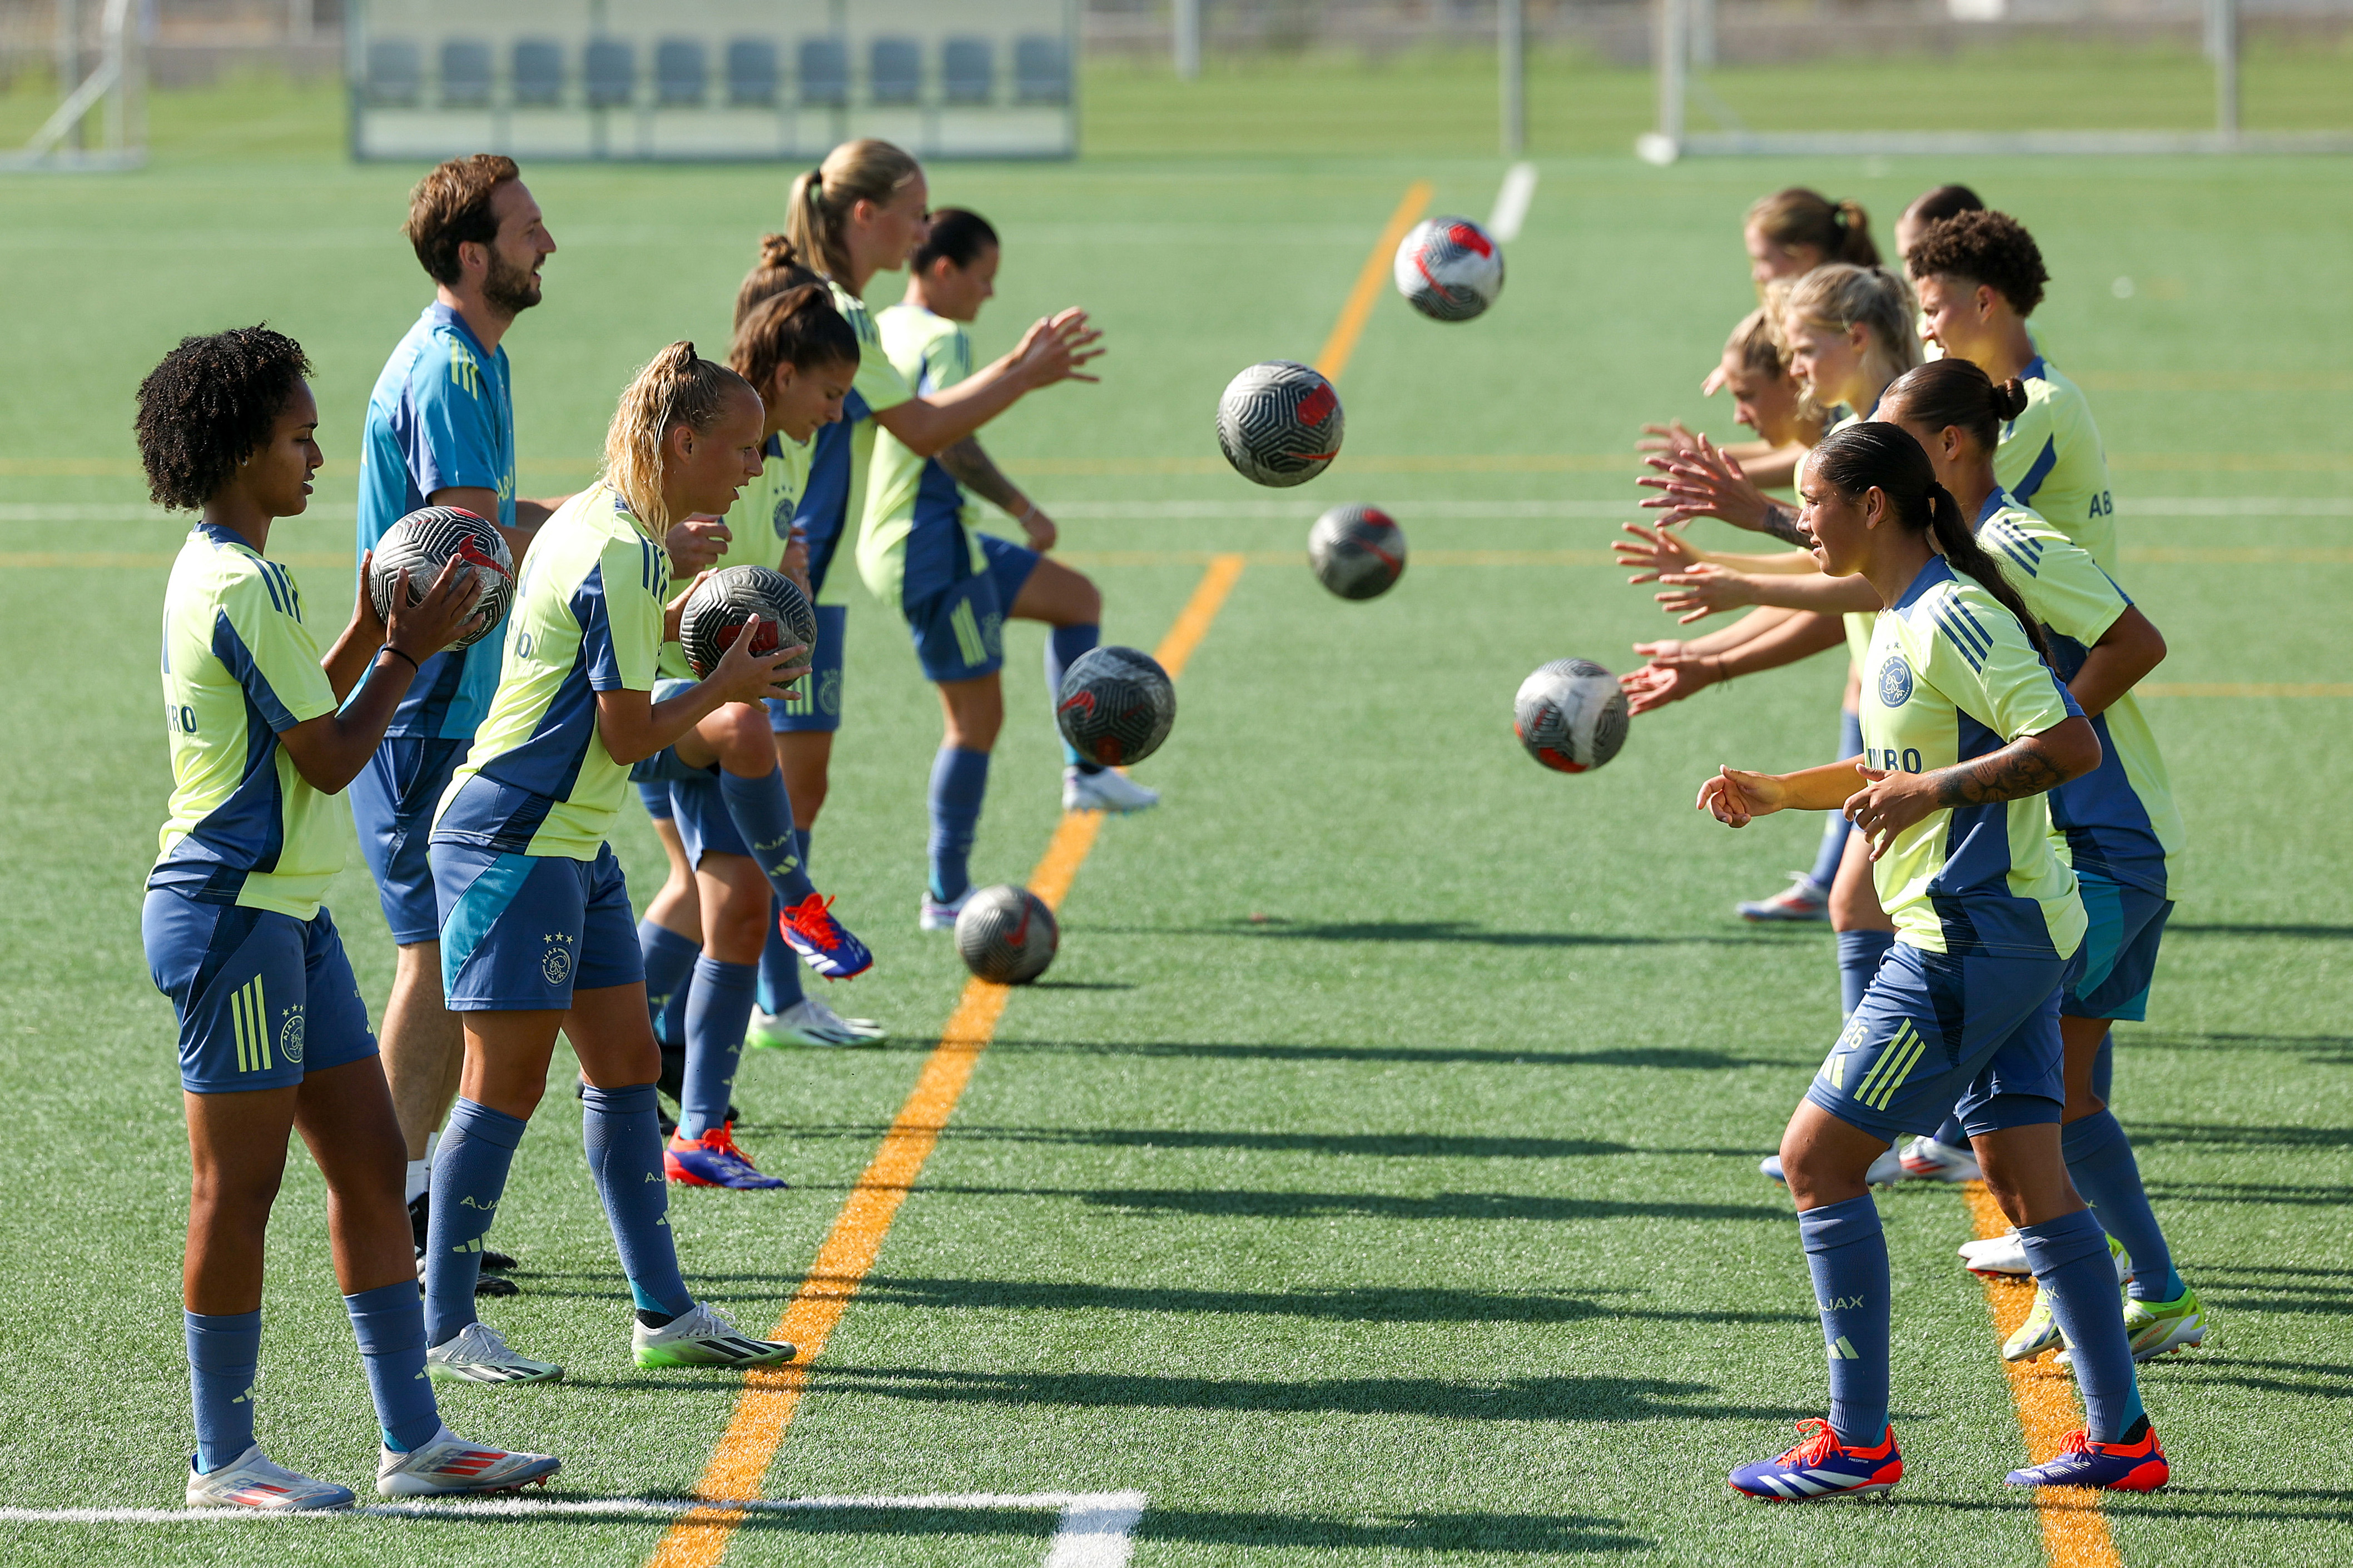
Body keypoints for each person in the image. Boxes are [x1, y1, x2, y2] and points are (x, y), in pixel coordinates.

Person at [1700, 421, 2167, 1499]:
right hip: (2005, 934)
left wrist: (1932, 793)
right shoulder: (1900, 615)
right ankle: (2121, 1437)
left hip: (1969, 938)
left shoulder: (1952, 613)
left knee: (1817, 1163)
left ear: (1872, 505)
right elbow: (1900, 762)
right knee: (2024, 1176)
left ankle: (1857, 1441)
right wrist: (1784, 791)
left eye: (1813, 500)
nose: (1802, 519)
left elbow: (2067, 744)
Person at [137, 326, 557, 1507]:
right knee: (238, 1190)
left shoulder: (237, 571)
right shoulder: (236, 581)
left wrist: (375, 633)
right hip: (231, 918)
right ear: (241, 451)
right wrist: (410, 654)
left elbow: (301, 712)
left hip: (287, 917)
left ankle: (414, 1444)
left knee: (373, 1169)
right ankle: (222, 1459)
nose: (319, 458)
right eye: (299, 438)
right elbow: (326, 756)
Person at [420, 342, 805, 1382]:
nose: (754, 468)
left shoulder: (614, 525)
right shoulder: (619, 548)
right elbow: (629, 732)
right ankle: (443, 1326)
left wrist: (697, 628)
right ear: (682, 443)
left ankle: (663, 1313)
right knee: (502, 1084)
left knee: (629, 1065)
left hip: (568, 844)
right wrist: (726, 684)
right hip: (512, 841)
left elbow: (620, 661)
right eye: (742, 448)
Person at [1877, 362, 2203, 1361]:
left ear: (1949, 446)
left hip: (2108, 843)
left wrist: (2047, 738)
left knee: (2041, 1096)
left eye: (1894, 438)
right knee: (2058, 1092)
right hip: (2082, 844)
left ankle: (2132, 1287)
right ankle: (2118, 1284)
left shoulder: (2011, 539)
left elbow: (2136, 640)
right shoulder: (1955, 551)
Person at [761, 140, 1104, 947]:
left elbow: (915, 422)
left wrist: (1017, 367)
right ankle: (762, 989)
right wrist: (1022, 373)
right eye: (914, 215)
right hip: (784, 577)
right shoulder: (835, 314)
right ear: (865, 215)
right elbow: (923, 429)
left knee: (794, 798)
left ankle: (774, 989)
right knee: (767, 807)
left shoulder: (846, 311)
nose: (922, 234)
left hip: (815, 581)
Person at [631, 287, 880, 1191]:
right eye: (830, 393)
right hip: (659, 703)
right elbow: (629, 607)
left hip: (721, 708)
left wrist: (789, 591)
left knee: (725, 913)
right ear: (782, 375)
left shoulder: (783, 460)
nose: (839, 413)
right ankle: (800, 899)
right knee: (739, 726)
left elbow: (765, 592)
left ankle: (700, 1132)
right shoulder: (673, 480)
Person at [862, 208, 1152, 928]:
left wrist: (1017, 368)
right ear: (942, 270)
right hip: (929, 551)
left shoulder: (888, 327)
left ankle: (1086, 771)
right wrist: (1024, 508)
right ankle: (944, 894)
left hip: (926, 540)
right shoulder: (943, 338)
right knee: (975, 723)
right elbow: (948, 441)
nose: (990, 294)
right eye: (983, 278)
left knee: (1077, 600)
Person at [1637, 266, 1922, 976]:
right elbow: (1843, 568)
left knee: (1873, 909)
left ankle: (1886, 1057)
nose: (1794, 368)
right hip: (1908, 696)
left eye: (1801, 350)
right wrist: (1713, 610)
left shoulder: (1894, 435)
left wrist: (1750, 546)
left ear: (1856, 338)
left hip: (1934, 696)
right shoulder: (1860, 428)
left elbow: (1880, 572)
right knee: (1875, 909)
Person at [1907, 210, 2116, 567]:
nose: (1925, 331)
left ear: (1984, 303)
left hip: (2048, 608)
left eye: (1934, 311)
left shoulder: (2040, 406)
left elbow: (1926, 538)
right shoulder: (2009, 384)